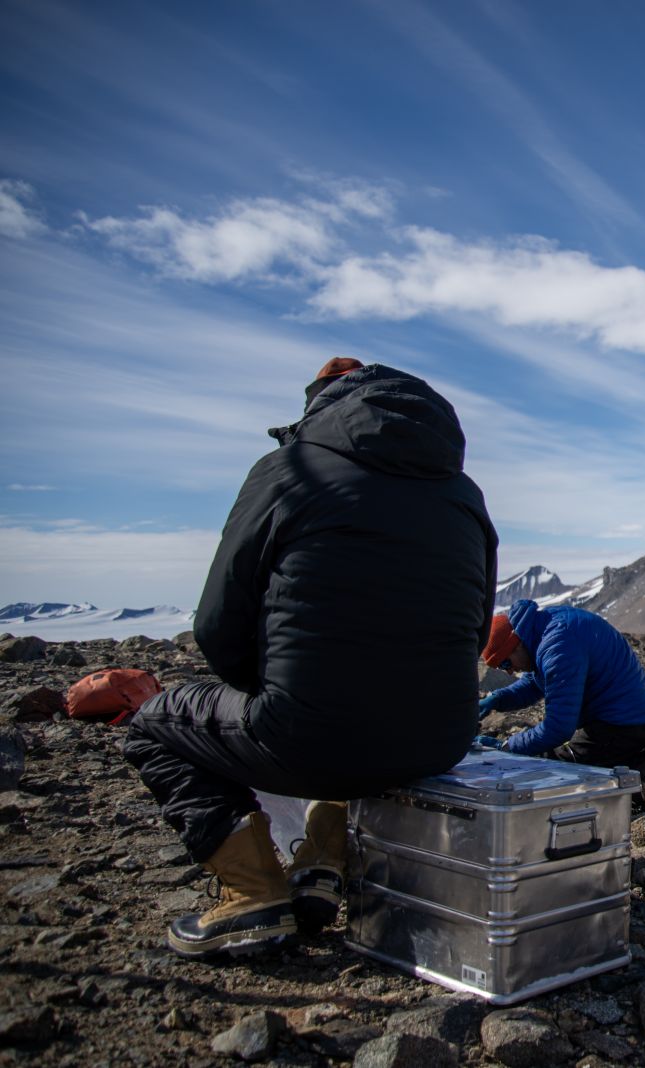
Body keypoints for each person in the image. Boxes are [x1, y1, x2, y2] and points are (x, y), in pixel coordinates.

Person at [124, 358, 497, 958]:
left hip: (314, 739)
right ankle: (322, 863)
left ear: (319, 406)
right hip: (438, 743)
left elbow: (216, 626)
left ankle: (253, 895)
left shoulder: (287, 469)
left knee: (152, 727)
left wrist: (275, 693)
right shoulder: (464, 494)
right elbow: (474, 630)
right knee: (347, 708)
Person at [477, 599, 645, 770]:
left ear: (515, 645)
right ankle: (634, 761)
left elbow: (558, 728)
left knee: (551, 765)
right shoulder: (541, 628)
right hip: (635, 715)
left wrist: (507, 747)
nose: (510, 671)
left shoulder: (558, 646)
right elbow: (535, 683)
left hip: (625, 725)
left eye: (505, 663)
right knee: (550, 751)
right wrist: (496, 699)